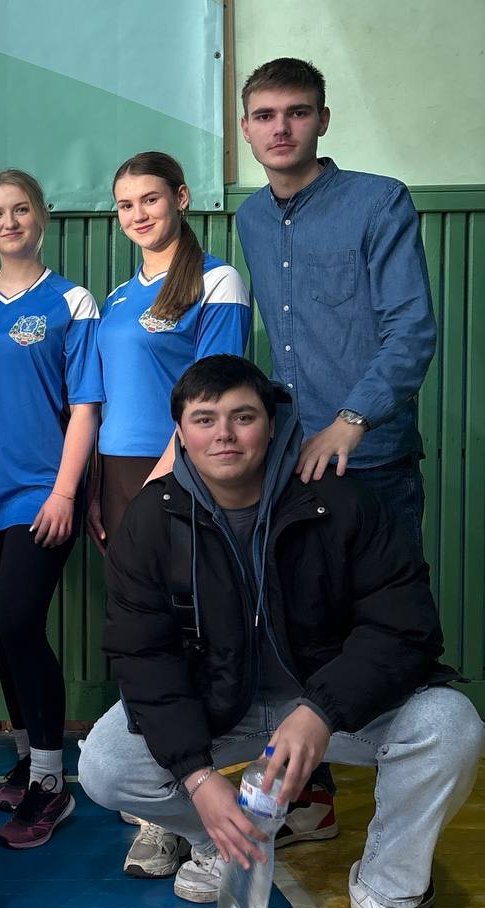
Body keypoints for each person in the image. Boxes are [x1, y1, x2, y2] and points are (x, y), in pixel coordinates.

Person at [78, 355, 481, 908]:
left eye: (243, 417)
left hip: (328, 708)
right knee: (106, 764)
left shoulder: (341, 502)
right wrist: (198, 779)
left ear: (272, 424)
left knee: (450, 725)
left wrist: (321, 710)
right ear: (180, 432)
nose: (224, 434)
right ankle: (223, 843)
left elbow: (405, 626)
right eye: (205, 419)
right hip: (222, 707)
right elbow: (144, 657)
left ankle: (386, 888)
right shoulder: (150, 519)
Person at [85, 151, 255, 878]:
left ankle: (187, 811)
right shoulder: (120, 297)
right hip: (117, 478)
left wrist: (164, 482)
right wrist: (96, 485)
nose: (138, 214)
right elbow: (103, 400)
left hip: (179, 478)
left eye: (150, 199)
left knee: (192, 641)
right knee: (144, 638)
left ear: (182, 198)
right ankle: (159, 800)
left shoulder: (217, 281)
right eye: (126, 204)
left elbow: (214, 400)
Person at [236, 57, 437, 549]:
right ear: (246, 129)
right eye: (264, 116)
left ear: (323, 120)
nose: (280, 128)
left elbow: (411, 331)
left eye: (298, 112)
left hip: (372, 458)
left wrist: (352, 420)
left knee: (390, 598)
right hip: (289, 458)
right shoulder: (251, 217)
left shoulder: (379, 202)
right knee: (301, 598)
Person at [0, 170, 102, 848]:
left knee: (20, 622)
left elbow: (86, 407)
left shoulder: (72, 301)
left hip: (41, 493)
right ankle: (26, 753)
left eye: (21, 209)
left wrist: (66, 493)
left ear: (42, 217)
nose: (9, 221)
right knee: (3, 628)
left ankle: (51, 779)